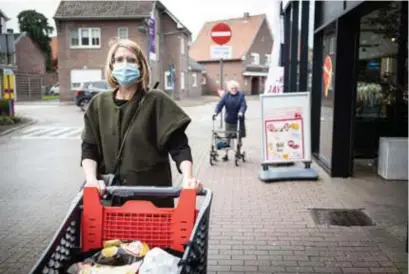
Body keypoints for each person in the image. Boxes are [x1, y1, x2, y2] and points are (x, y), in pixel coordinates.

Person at [80, 39, 201, 207]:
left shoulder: (157, 101)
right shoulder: (98, 104)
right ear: (111, 65)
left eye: (131, 60)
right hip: (109, 201)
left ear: (140, 66)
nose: (125, 64)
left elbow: (179, 146)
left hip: (151, 201)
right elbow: (89, 147)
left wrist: (188, 178)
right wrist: (91, 180)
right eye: (119, 59)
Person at [213, 80, 247, 161]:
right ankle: (226, 154)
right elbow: (220, 105)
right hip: (229, 120)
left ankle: (238, 152)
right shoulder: (226, 96)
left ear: (237, 88)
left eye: (235, 88)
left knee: (239, 137)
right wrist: (216, 112)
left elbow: (244, 105)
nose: (234, 90)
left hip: (238, 120)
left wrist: (241, 112)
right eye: (232, 88)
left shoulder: (241, 96)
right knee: (227, 137)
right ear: (229, 89)